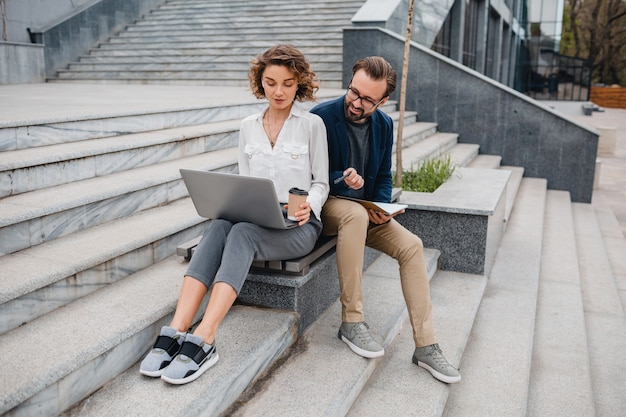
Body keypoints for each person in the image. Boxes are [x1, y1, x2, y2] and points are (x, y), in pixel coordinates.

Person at [139, 45, 329, 385]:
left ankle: (206, 337)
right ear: (261, 82)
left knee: (241, 234)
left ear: (299, 83)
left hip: (300, 226)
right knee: (220, 224)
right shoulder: (248, 126)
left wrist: (308, 206)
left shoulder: (312, 125)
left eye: (288, 83)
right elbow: (244, 183)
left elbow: (321, 183)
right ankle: (177, 328)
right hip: (257, 217)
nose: (279, 91)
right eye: (271, 82)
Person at [310, 56, 461, 384]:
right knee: (352, 213)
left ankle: (426, 345)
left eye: (367, 99)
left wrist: (381, 204)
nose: (357, 102)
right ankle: (351, 322)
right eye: (354, 92)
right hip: (329, 207)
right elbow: (306, 175)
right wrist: (340, 178)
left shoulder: (384, 125)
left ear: (383, 101)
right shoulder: (320, 118)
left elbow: (382, 176)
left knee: (412, 245)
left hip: (365, 212)